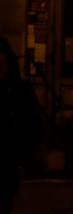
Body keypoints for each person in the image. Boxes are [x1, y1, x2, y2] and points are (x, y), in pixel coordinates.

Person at [0, 37, 43, 214]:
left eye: (2, 63)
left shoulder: (20, 90)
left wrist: (24, 153)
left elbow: (34, 124)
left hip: (7, 164)